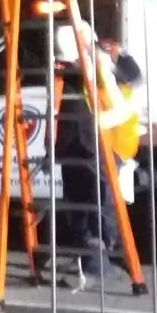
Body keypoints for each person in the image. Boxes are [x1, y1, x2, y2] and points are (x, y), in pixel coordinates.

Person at [52, 23, 140, 290]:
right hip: (89, 143)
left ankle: (101, 261)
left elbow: (126, 94)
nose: (68, 66)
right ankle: (92, 258)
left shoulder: (105, 66)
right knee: (82, 200)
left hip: (110, 143)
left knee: (100, 201)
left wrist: (96, 121)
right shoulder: (80, 72)